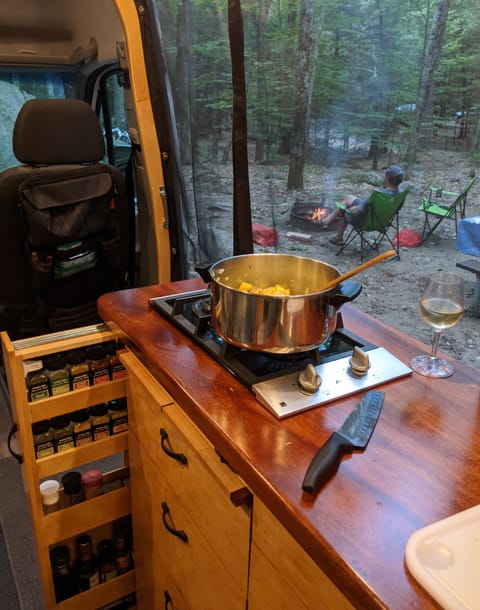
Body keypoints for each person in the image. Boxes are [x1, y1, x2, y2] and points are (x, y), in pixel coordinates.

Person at [322, 165, 404, 246]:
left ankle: (338, 238)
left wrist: (349, 209)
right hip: (382, 223)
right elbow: (397, 210)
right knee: (349, 198)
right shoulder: (401, 195)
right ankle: (327, 220)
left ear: (388, 177)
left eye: (385, 175)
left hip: (366, 222)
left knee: (344, 211)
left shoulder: (378, 194)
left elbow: (356, 211)